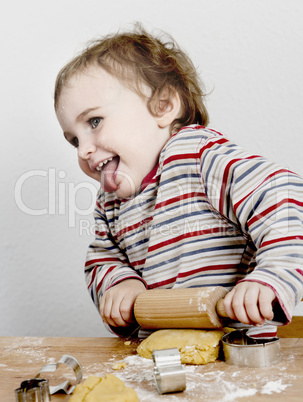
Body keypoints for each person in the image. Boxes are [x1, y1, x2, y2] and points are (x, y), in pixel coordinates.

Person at [54, 25, 303, 337]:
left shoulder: (198, 158)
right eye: (74, 140)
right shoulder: (110, 203)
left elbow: (285, 198)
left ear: (164, 106)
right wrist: (120, 282)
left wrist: (273, 276)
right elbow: (102, 259)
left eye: (94, 122)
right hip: (160, 358)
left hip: (238, 353)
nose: (85, 149)